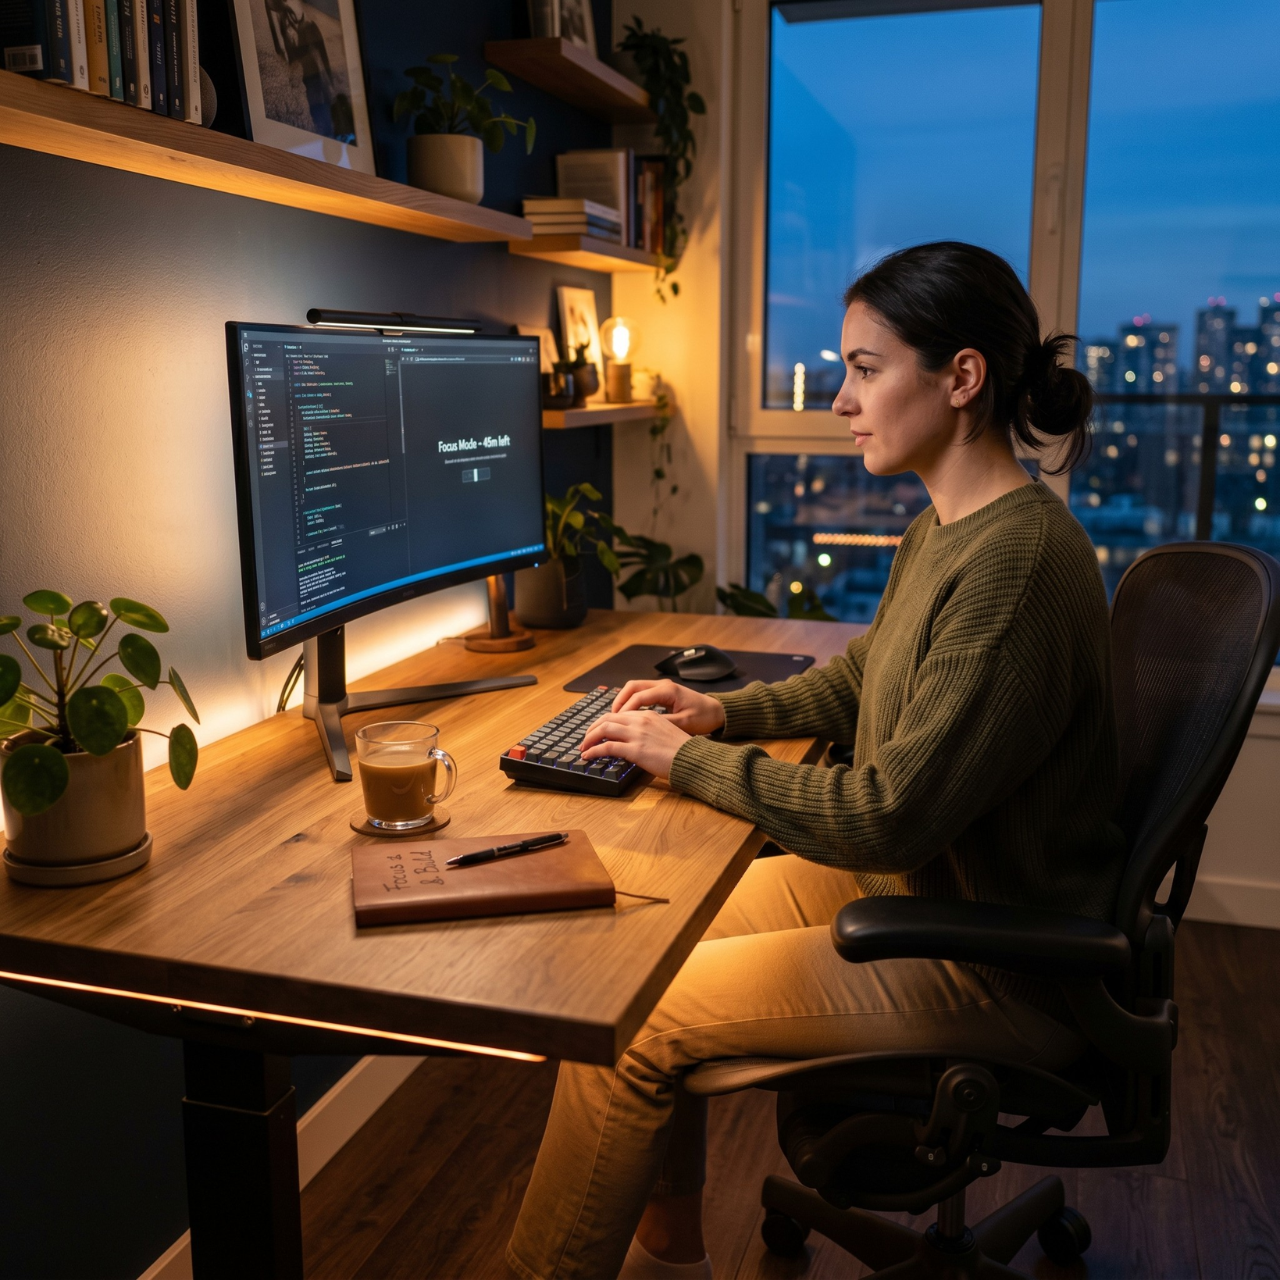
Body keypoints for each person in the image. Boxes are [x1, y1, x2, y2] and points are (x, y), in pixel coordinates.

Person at [506, 241, 1127, 1280]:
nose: (838, 398)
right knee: (632, 944)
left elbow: (887, 813)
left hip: (998, 958)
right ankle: (669, 1258)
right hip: (923, 891)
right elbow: (859, 684)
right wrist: (716, 713)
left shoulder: (1014, 563)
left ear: (960, 377)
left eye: (864, 367)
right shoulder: (949, 529)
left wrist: (679, 762)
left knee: (631, 1019)